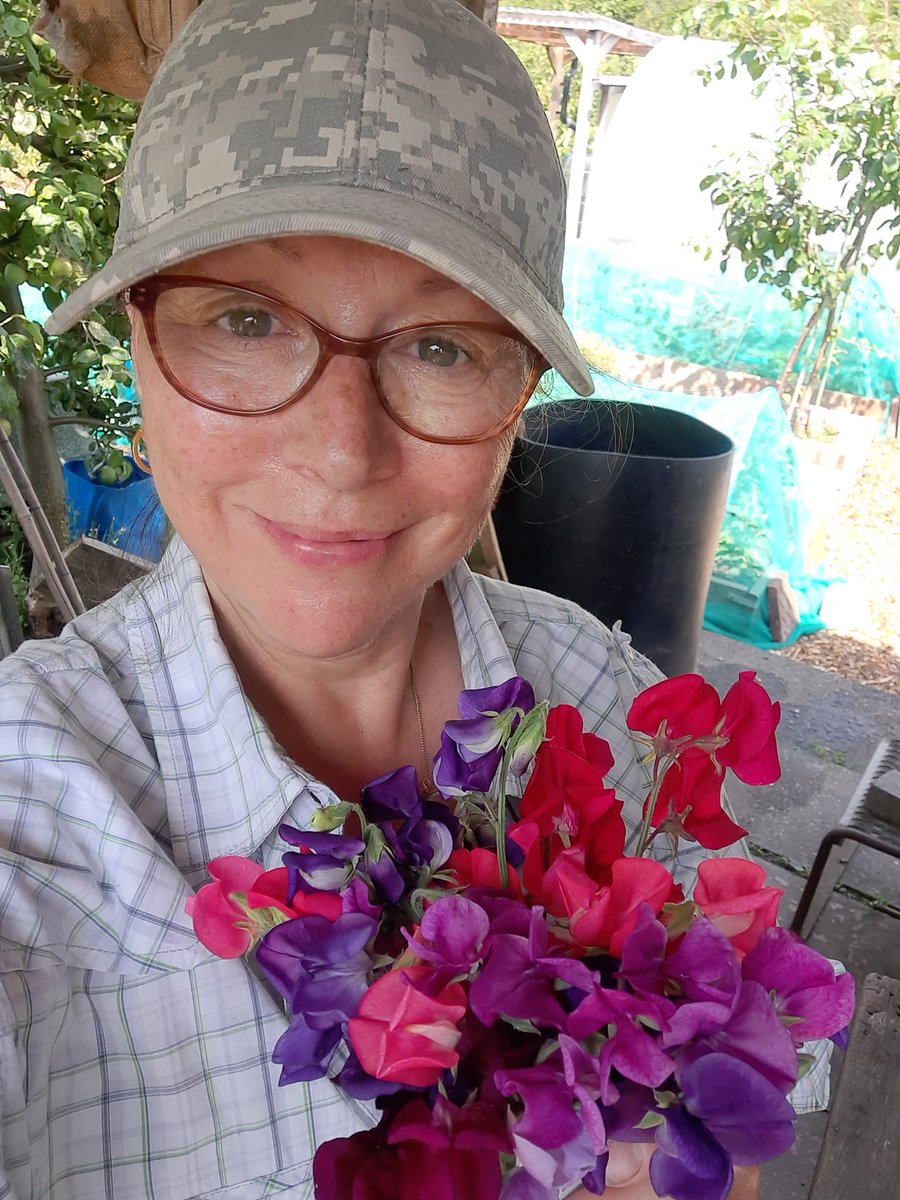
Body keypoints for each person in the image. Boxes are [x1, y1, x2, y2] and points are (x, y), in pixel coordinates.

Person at [0, 0, 807, 1195]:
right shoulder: (35, 804)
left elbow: (747, 1101)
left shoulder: (602, 693)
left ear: (520, 387)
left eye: (440, 347)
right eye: (244, 319)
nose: (340, 453)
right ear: (138, 336)